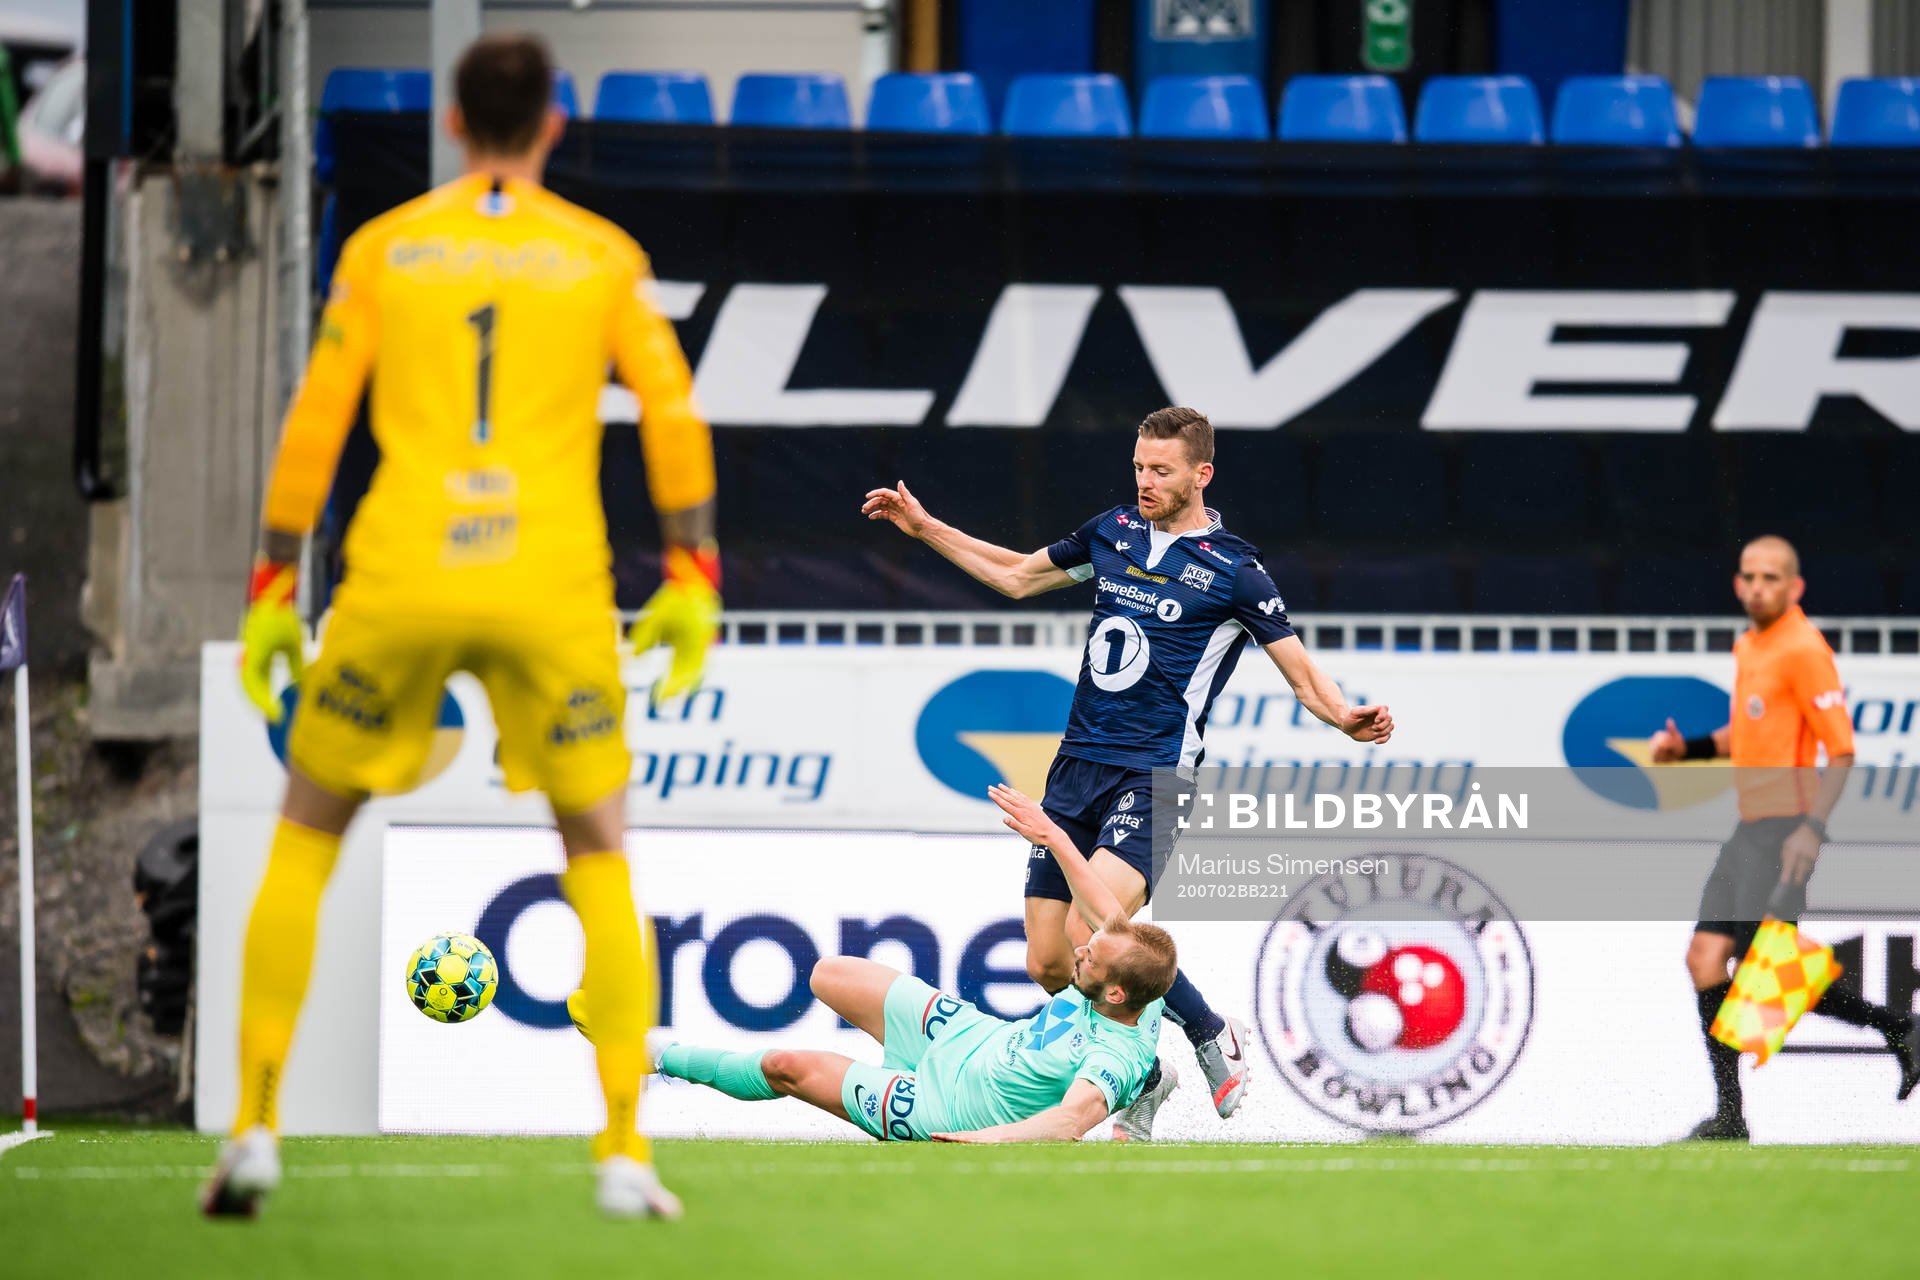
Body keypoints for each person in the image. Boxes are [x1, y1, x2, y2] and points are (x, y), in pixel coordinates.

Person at [201, 32, 720, 1219]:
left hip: (402, 572)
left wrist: (276, 581)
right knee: (595, 847)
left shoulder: (387, 250)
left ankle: (255, 1130)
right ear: (552, 124)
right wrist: (693, 570)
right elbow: (672, 416)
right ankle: (625, 1151)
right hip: (549, 583)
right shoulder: (601, 255)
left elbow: (316, 421)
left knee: (305, 837)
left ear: (450, 122)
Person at [861, 406, 1393, 1135]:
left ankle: (1211, 1031)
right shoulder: (1112, 531)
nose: (1145, 481)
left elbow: (1302, 676)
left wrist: (1345, 718)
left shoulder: (1235, 571)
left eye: (1161, 470)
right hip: (1077, 765)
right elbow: (1017, 576)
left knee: (1097, 928)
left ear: (1200, 474)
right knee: (1052, 962)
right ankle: (1146, 1069)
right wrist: (925, 527)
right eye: (1139, 467)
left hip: (1154, 776)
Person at [598, 784, 1174, 1143]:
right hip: (971, 1036)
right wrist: (1049, 834)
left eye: (1091, 957)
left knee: (785, 1064)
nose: (1081, 947)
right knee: (829, 974)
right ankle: (1156, 1083)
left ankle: (651, 1057)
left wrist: (986, 1141)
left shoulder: (1112, 1055)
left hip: (945, 1107)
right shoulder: (1130, 972)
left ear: (1117, 994)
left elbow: (1069, 1123)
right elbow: (1099, 901)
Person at [1649, 535, 1919, 1141]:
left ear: (1795, 588)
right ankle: (1731, 1118)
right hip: (1749, 830)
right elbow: (1744, 737)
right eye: (1748, 576)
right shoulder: (1751, 646)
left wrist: (1811, 831)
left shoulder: (1803, 649)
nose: (1757, 587)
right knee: (1705, 959)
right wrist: (1685, 750)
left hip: (1783, 832)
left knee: (1768, 970)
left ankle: (1898, 1024)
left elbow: (1843, 750)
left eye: (1771, 577)